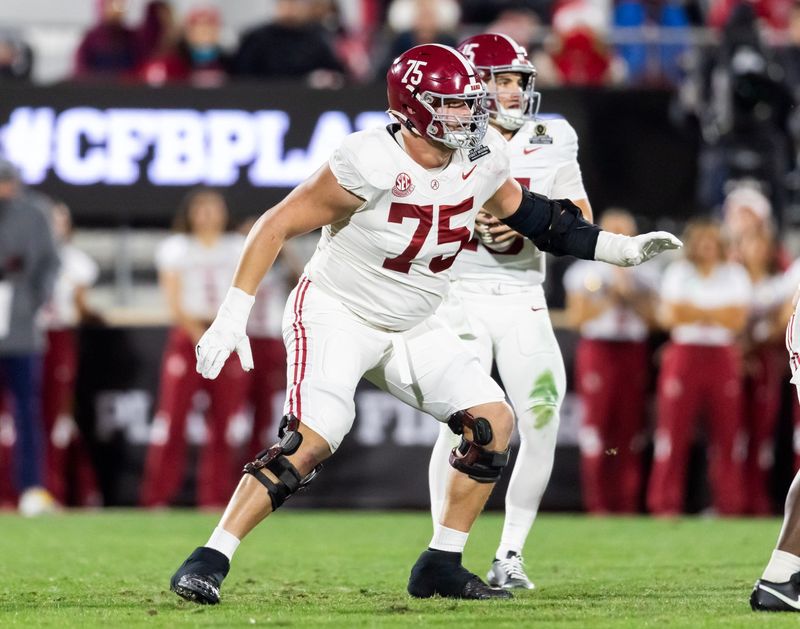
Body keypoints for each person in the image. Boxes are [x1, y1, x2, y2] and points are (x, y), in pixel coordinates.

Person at [169, 43, 681, 605]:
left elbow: (544, 222)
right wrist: (234, 313)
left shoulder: (481, 156)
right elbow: (274, 225)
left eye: (469, 101)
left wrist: (618, 250)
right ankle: (210, 556)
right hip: (338, 311)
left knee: (492, 422)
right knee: (312, 439)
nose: (469, 113)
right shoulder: (369, 158)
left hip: (414, 322)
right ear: (414, 108)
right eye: (453, 103)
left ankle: (441, 562)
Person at [426, 32, 590, 591]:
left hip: (523, 293)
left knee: (542, 418)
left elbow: (579, 217)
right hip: (458, 293)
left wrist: (527, 223)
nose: (515, 90)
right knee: (461, 422)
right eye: (501, 79)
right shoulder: (445, 133)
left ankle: (510, 554)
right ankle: (443, 553)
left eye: (519, 79)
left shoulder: (553, 135)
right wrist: (465, 216)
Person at [138, 188, 249, 509]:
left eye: (215, 207)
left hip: (225, 333)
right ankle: (158, 496)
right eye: (202, 208)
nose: (209, 214)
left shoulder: (236, 246)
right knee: (173, 419)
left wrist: (223, 333)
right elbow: (174, 301)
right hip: (190, 336)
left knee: (225, 421)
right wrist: (201, 335)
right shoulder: (176, 248)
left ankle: (216, 497)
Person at [647, 218, 750, 516]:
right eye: (702, 240)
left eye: (712, 240)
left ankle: (729, 504)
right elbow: (671, 316)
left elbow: (737, 319)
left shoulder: (735, 274)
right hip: (685, 353)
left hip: (721, 355)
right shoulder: (679, 272)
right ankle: (665, 503)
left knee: (727, 434)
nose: (707, 246)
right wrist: (717, 312)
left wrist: (694, 311)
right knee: (673, 433)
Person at [564, 209, 659, 515]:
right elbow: (577, 319)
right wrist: (608, 297)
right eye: (613, 230)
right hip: (599, 350)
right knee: (597, 426)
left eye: (624, 230)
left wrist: (629, 294)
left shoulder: (646, 273)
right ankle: (599, 503)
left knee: (630, 428)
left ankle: (626, 501)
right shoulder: (584, 270)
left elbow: (655, 320)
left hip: (632, 349)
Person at [0, 158, 60, 515]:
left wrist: (34, 299)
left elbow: (50, 262)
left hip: (20, 325)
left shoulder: (35, 212)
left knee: (26, 410)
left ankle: (31, 488)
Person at [38, 202, 102, 507]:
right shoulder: (19, 250)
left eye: (60, 220)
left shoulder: (76, 262)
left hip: (57, 335)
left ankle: (52, 488)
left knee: (56, 417)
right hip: (18, 338)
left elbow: (78, 306)